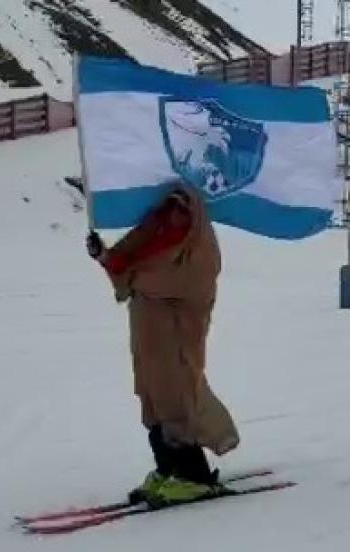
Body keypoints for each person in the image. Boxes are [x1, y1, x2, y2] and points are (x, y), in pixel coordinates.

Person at [86, 183, 240, 508]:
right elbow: (130, 262)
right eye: (170, 210)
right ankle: (167, 468)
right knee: (152, 399)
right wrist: (104, 256)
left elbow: (166, 280)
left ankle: (193, 476)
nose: (174, 218)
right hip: (149, 336)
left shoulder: (198, 252)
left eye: (181, 210)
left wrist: (128, 271)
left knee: (174, 398)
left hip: (177, 338)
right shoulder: (158, 232)